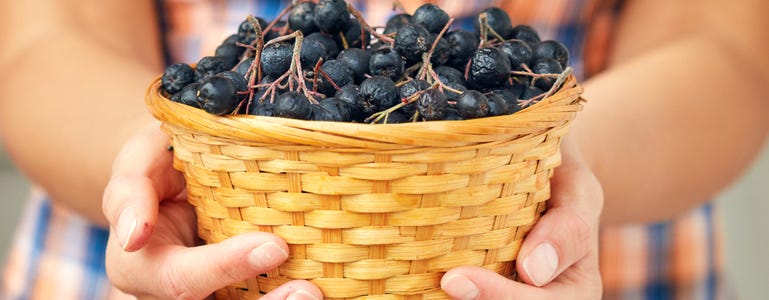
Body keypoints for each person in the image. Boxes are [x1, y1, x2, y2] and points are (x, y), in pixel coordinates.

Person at [0, 0, 767, 299]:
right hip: (167, 257)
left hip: (570, 263)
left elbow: (726, 52)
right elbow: (42, 43)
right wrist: (173, 164)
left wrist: (546, 161)